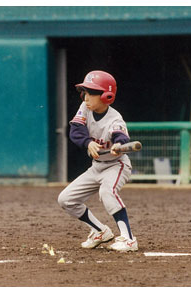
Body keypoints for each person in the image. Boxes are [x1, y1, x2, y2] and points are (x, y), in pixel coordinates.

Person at [58, 70, 138, 252]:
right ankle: (99, 231)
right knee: (66, 199)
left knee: (107, 191)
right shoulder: (85, 107)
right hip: (97, 168)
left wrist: (117, 144)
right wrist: (88, 143)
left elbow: (121, 137)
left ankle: (128, 239)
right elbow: (76, 130)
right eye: (84, 92)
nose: (85, 97)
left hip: (116, 165)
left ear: (106, 96)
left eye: (90, 92)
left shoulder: (115, 118)